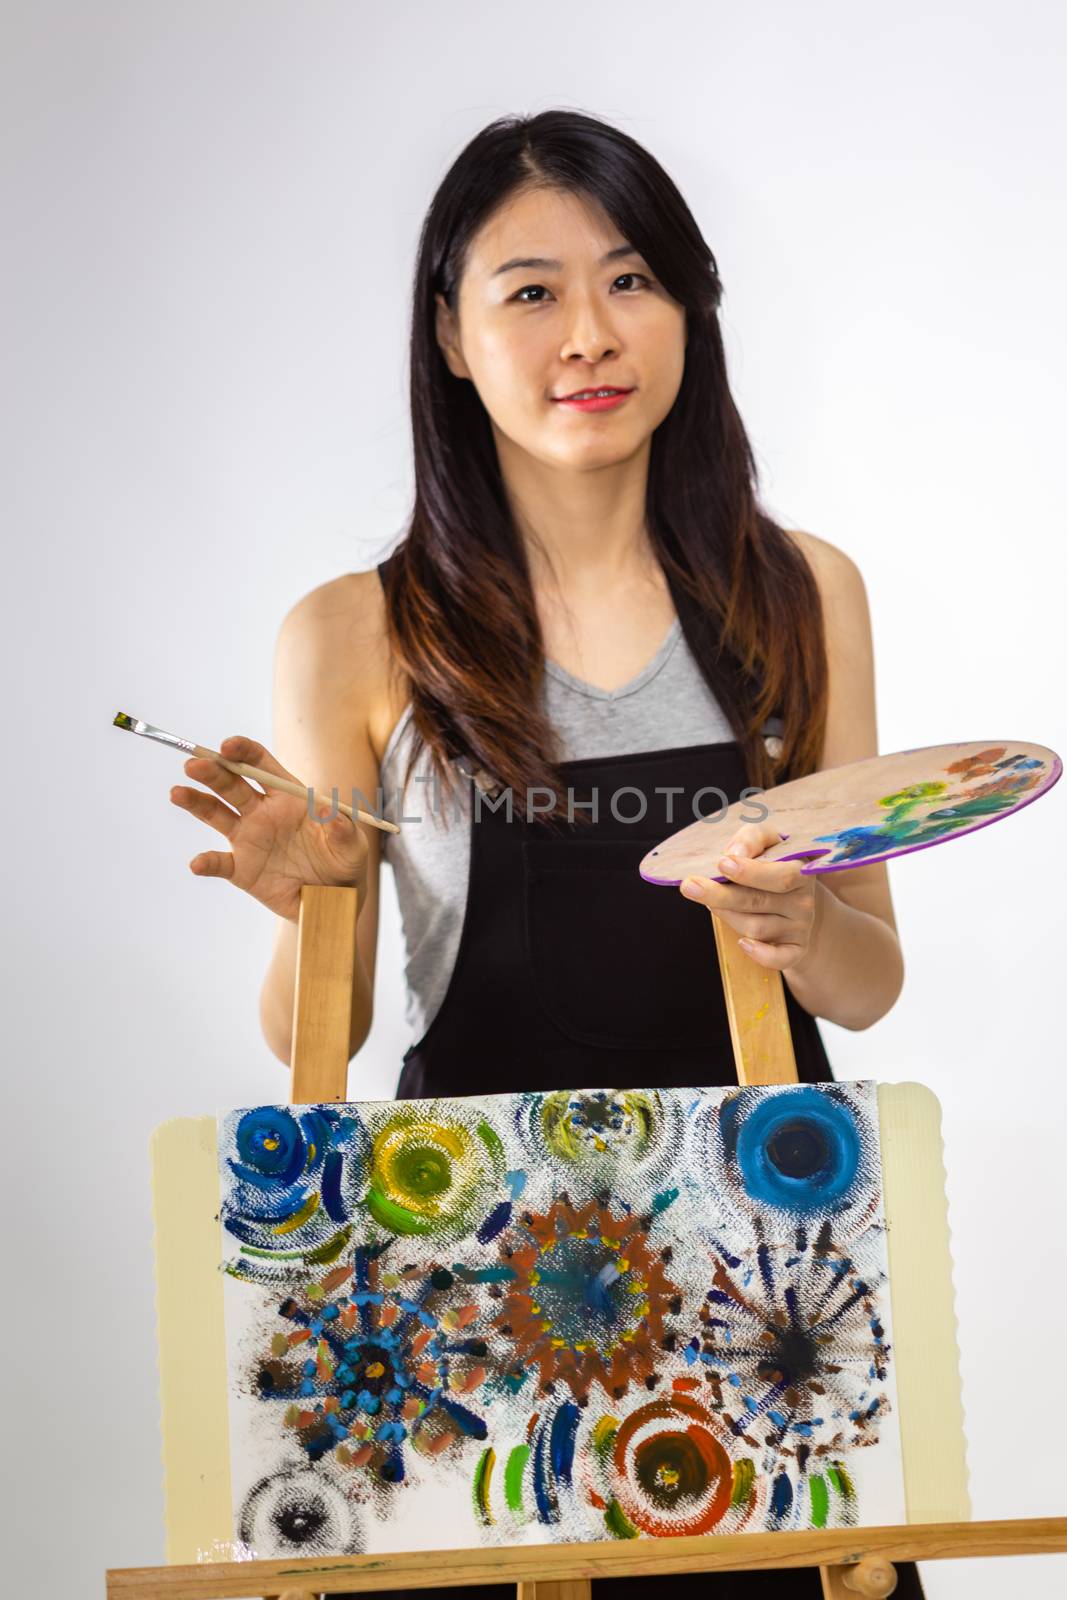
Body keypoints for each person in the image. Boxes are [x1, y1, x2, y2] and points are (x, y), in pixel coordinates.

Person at [169, 110, 924, 1600]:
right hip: (474, 1290)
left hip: (765, 1282)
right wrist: (307, 904)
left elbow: (870, 977)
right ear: (449, 336)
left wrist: (797, 930)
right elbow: (309, 1037)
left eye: (632, 279)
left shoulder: (799, 593)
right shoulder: (357, 632)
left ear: (688, 308)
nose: (591, 333)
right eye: (530, 291)